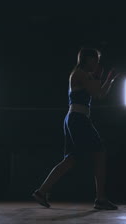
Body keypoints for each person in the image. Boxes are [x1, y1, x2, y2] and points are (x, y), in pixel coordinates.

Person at [32, 47, 120, 210]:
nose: (96, 64)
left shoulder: (83, 74)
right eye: (95, 60)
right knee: (99, 152)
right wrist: (104, 79)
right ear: (87, 59)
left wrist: (108, 80)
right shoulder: (81, 73)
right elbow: (98, 93)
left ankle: (41, 192)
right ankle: (100, 198)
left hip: (75, 118)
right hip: (78, 119)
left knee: (71, 159)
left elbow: (99, 93)